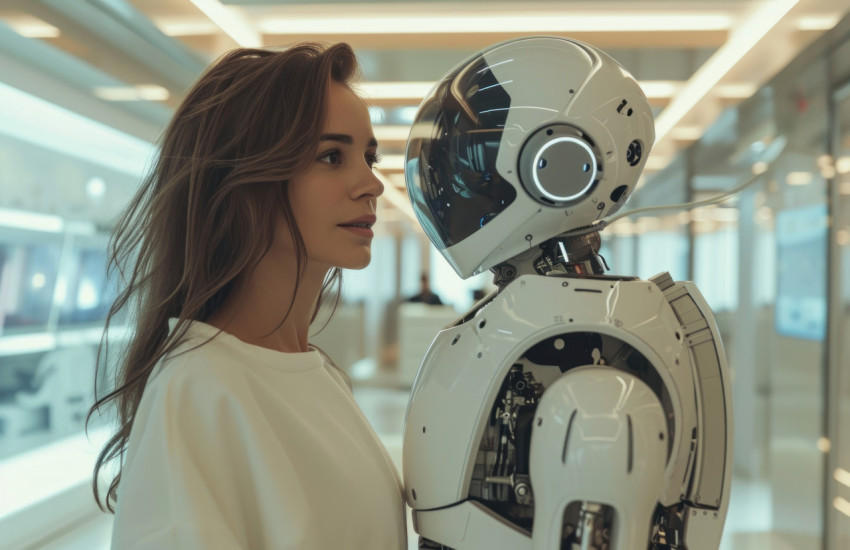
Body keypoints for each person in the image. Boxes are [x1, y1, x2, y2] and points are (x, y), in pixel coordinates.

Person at [87, 43, 407, 549]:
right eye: (331, 156)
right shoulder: (197, 391)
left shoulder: (316, 373)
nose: (371, 184)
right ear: (244, 181)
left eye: (368, 156)